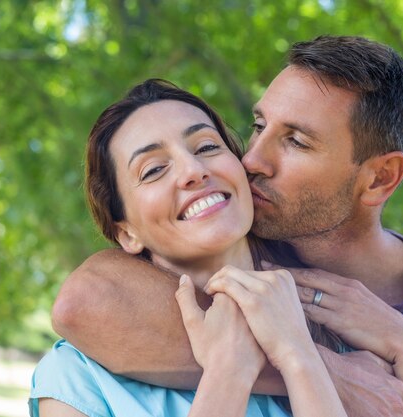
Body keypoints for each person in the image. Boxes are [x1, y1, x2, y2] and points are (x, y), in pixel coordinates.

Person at [52, 35, 403, 417]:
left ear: (380, 177)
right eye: (258, 126)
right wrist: (312, 366)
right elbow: (87, 303)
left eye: (296, 142)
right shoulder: (229, 235)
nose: (251, 159)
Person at [30, 79, 349, 416]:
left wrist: (299, 357)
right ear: (127, 233)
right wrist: (229, 370)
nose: (193, 171)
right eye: (154, 170)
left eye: (207, 147)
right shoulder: (75, 378)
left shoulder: (342, 339)